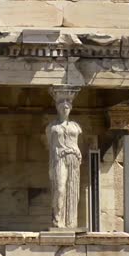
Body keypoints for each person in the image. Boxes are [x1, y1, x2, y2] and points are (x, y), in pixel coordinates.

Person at [47, 90, 82, 228]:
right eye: (62, 106)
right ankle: (57, 219)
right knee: (60, 188)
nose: (65, 108)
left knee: (72, 190)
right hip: (59, 158)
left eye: (67, 106)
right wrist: (51, 167)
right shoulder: (52, 127)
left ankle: (70, 222)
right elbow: (50, 147)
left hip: (74, 159)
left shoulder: (76, 126)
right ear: (57, 108)